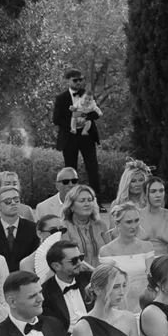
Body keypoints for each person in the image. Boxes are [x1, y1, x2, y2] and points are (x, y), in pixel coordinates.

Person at [53, 69, 103, 198]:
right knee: (70, 170)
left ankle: (96, 200)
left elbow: (96, 113)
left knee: (92, 168)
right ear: (68, 81)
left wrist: (84, 117)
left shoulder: (88, 95)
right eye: (75, 80)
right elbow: (56, 119)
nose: (78, 82)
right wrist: (72, 124)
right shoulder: (61, 98)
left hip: (87, 136)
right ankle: (71, 200)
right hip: (69, 138)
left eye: (81, 80)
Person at [0, 175, 37, 275]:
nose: (13, 203)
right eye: (8, 202)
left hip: (25, 280)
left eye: (16, 200)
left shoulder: (33, 229)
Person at [39, 234, 91, 330]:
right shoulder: (45, 293)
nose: (80, 263)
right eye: (74, 260)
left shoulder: (90, 279)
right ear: (56, 266)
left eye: (81, 258)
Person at [62, 182, 106, 268]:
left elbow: (110, 252)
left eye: (90, 200)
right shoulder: (64, 228)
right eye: (82, 201)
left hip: (102, 275)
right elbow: (65, 257)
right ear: (71, 206)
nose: (87, 204)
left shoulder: (101, 225)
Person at [139, 178, 168, 257]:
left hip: (165, 262)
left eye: (161, 191)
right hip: (140, 261)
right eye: (153, 191)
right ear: (145, 195)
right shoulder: (136, 216)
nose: (158, 195)